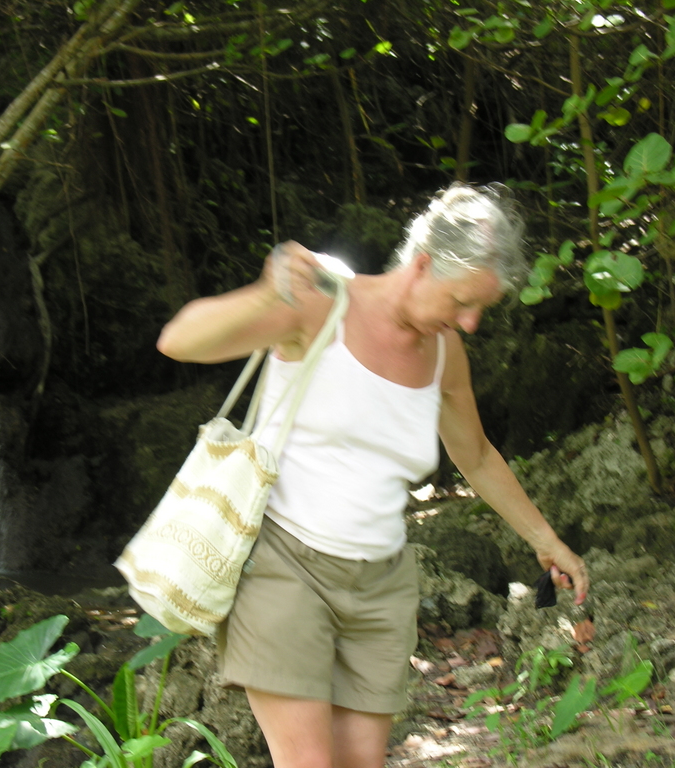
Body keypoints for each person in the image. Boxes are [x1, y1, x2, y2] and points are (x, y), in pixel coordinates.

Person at [156, 183, 589, 768]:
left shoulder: (444, 354)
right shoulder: (321, 305)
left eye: (481, 309)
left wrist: (545, 539)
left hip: (381, 584)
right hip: (283, 564)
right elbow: (179, 341)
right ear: (423, 264)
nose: (471, 323)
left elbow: (478, 457)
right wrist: (265, 294)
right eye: (463, 301)